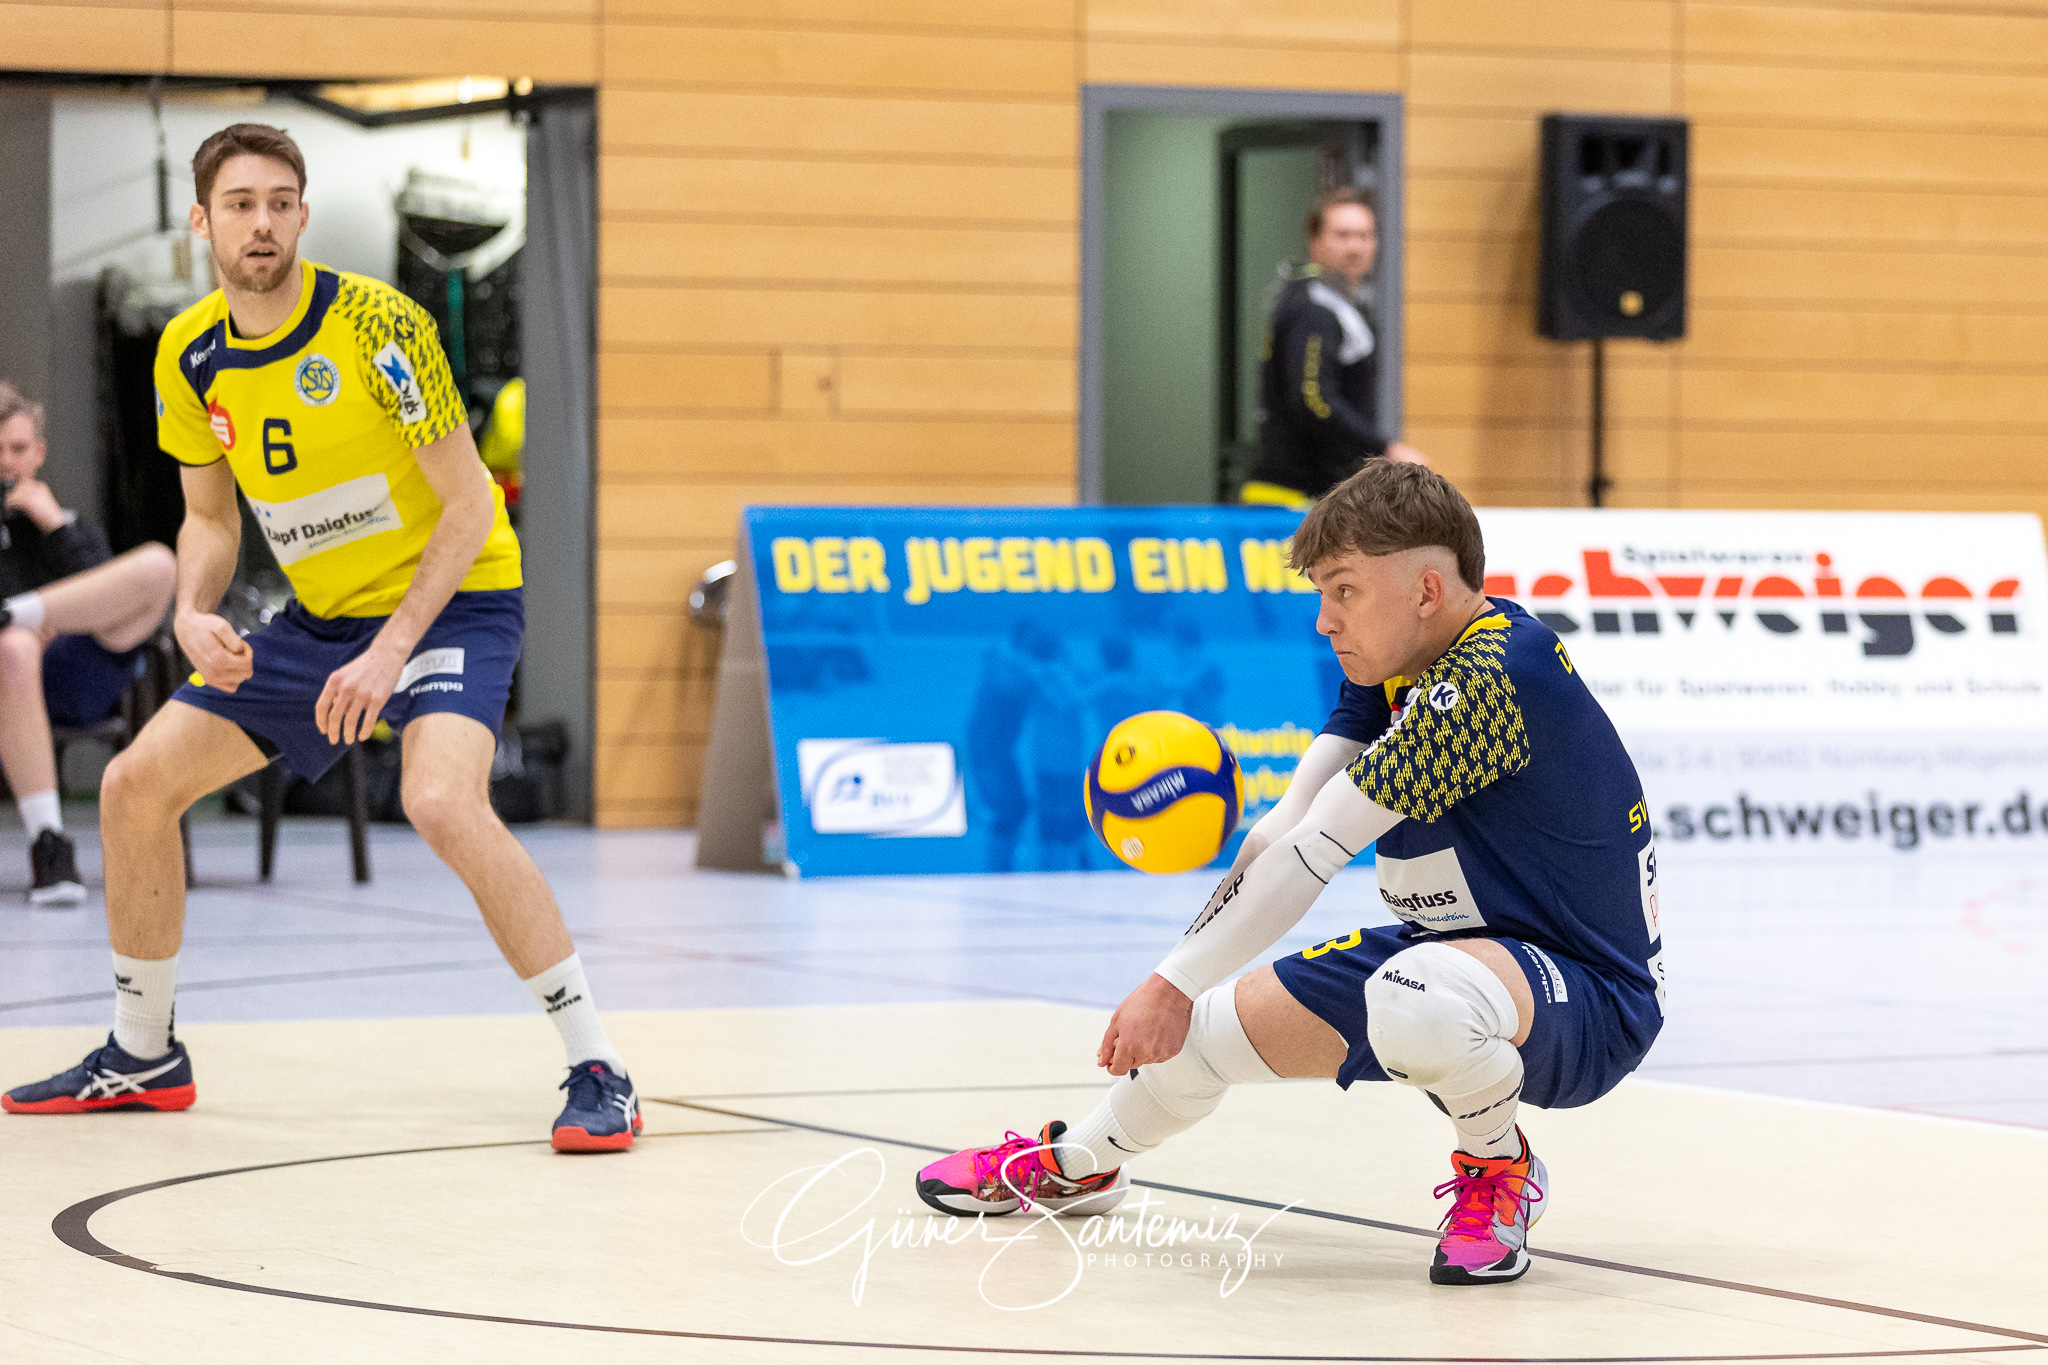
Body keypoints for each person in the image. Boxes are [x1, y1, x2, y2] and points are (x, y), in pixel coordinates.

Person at [3, 124, 639, 1153]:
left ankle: (596, 1065)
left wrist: (390, 650)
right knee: (132, 785)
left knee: (437, 799)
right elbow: (209, 520)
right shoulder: (190, 351)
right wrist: (194, 610)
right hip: (318, 621)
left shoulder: (378, 327)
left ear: (302, 215)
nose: (263, 220)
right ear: (202, 221)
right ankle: (142, 1051)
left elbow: (471, 506)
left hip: (454, 602)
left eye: (282, 201)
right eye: (242, 202)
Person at [915, 462, 1666, 1287]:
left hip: (1590, 998)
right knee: (1202, 1036)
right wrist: (1180, 979)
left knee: (1412, 996)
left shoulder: (1492, 678)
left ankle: (1500, 1171)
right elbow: (1284, 830)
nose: (1323, 620)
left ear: (1424, 589)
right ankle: (1079, 1164)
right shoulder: (1395, 673)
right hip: (1455, 957)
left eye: (1343, 591)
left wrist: (1164, 981)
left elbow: (1321, 849)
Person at [0, 384, 177, 905]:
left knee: (158, 565)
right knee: (13, 647)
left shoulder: (66, 526)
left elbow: (115, 598)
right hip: (10, 680)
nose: (6, 462)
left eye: (17, 448)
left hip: (78, 675)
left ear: (38, 454)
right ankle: (49, 845)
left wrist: (54, 525)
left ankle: (17, 611)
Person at [1239, 189, 1428, 510]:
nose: (1355, 246)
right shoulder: (1314, 308)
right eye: (1342, 235)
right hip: (1291, 496)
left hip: (1318, 495)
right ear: (1315, 241)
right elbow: (1313, 398)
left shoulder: (1336, 305)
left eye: (1364, 236)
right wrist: (1384, 448)